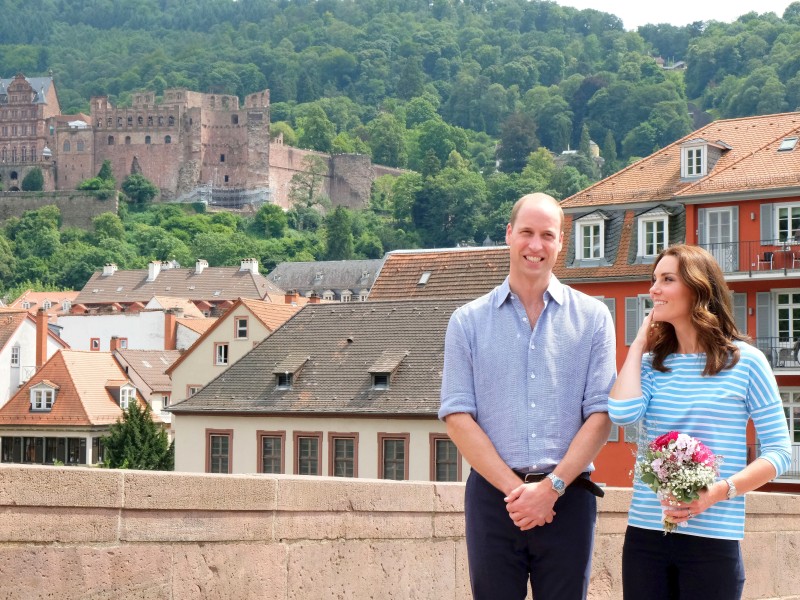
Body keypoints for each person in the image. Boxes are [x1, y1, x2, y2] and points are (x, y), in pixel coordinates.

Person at [439, 193, 617, 600]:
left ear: (560, 242)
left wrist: (550, 488)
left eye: (547, 235)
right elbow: (457, 416)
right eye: (527, 233)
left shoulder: (593, 318)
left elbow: (602, 415)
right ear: (509, 235)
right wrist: (518, 493)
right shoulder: (467, 322)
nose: (535, 245)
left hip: (569, 498)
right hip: (493, 501)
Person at [609, 244, 791, 600]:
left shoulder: (746, 362)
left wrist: (718, 492)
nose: (653, 290)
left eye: (667, 279)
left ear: (697, 289)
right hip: (646, 535)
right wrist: (637, 347)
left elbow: (780, 452)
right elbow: (622, 414)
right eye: (653, 280)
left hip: (714, 538)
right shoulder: (650, 365)